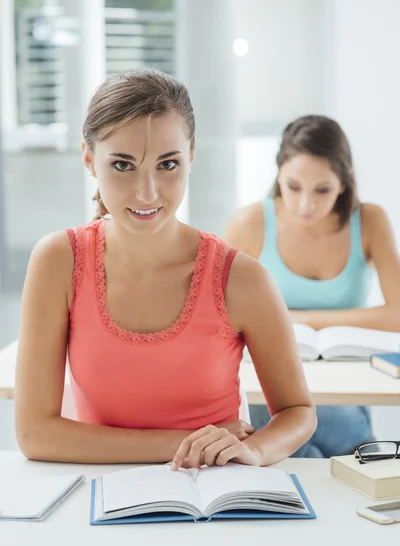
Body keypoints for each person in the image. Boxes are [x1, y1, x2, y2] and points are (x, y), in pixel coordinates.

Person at [14, 69, 316, 468]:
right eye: (123, 165)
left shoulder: (240, 279)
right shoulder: (58, 262)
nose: (147, 192)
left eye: (168, 164)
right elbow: (36, 435)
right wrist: (187, 444)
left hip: (212, 497)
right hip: (97, 497)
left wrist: (253, 449)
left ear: (190, 155)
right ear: (89, 159)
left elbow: (298, 411)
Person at [225, 115, 400, 458]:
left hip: (344, 387)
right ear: (278, 175)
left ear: (344, 184)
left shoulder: (369, 220)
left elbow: (397, 314)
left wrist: (298, 318)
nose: (306, 204)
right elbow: (216, 312)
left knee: (332, 437)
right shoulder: (250, 223)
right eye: (293, 187)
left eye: (323, 190)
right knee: (310, 444)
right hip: (270, 389)